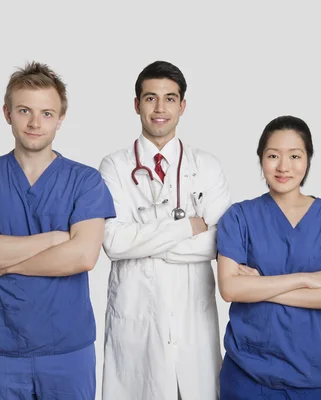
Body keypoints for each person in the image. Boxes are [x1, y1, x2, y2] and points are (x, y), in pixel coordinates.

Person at [0, 61, 115, 400]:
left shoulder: (84, 181)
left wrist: (3, 263)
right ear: (7, 113)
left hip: (68, 349)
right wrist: (52, 239)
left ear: (61, 119)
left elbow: (83, 256)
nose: (36, 123)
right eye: (25, 110)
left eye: (47, 113)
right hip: (2, 348)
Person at [98, 60, 232, 400]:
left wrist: (146, 239)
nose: (160, 108)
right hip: (137, 319)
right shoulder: (113, 167)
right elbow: (113, 242)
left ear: (182, 106)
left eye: (170, 99)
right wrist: (188, 226)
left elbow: (222, 242)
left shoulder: (208, 166)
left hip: (193, 321)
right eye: (150, 98)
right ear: (136, 104)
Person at [216, 115, 321, 399]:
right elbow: (230, 288)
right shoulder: (239, 217)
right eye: (273, 155)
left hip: (314, 378)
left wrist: (261, 288)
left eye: (295, 156)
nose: (283, 166)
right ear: (261, 158)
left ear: (308, 159)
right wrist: (306, 279)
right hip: (248, 377)